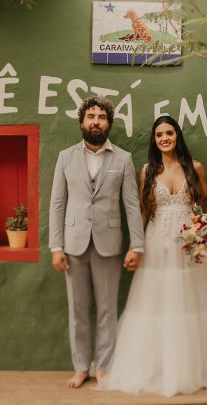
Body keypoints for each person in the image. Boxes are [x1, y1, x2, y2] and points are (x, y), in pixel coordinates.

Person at [99, 115, 207, 400]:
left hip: (188, 245)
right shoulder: (147, 170)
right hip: (156, 243)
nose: (164, 138)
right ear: (154, 139)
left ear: (177, 136)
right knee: (156, 305)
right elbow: (144, 211)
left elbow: (206, 200)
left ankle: (190, 370)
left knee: (187, 304)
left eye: (169, 133)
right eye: (159, 134)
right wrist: (135, 247)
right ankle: (157, 369)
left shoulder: (193, 167)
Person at [48, 96, 145, 389]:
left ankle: (103, 367)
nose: (95, 121)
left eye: (101, 117)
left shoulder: (123, 159)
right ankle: (81, 367)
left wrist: (137, 245)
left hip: (109, 243)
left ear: (108, 124)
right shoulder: (65, 157)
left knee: (106, 310)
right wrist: (55, 246)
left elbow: (132, 205)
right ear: (81, 122)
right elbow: (57, 205)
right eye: (90, 116)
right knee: (78, 311)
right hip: (73, 244)